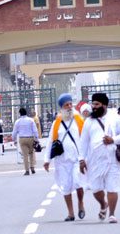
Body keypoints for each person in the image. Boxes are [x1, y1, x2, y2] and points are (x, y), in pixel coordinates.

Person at [79, 93, 120, 224]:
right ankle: (103, 204)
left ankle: (112, 214)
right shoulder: (89, 121)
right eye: (93, 104)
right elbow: (83, 142)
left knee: (112, 186)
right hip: (94, 161)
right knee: (96, 189)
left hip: (112, 159)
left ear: (104, 105)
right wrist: (81, 160)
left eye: (97, 104)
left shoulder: (114, 118)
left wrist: (113, 140)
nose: (93, 107)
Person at [44, 93, 86, 221]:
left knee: (78, 182)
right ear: (61, 107)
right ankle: (71, 212)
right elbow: (50, 141)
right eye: (66, 105)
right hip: (61, 160)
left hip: (76, 159)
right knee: (65, 186)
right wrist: (47, 160)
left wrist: (86, 156)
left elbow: (86, 138)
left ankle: (80, 203)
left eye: (70, 104)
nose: (69, 107)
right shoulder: (57, 122)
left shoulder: (79, 120)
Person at [13, 107, 39, 175]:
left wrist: (14, 140)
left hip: (22, 139)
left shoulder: (17, 121)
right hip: (30, 138)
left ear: (20, 114)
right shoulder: (30, 120)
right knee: (31, 153)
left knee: (25, 155)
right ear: (26, 113)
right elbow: (35, 130)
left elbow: (14, 132)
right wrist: (37, 139)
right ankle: (32, 167)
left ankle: (27, 170)